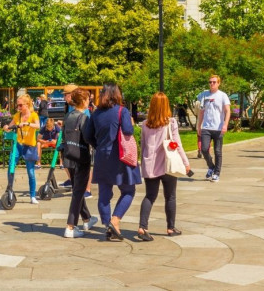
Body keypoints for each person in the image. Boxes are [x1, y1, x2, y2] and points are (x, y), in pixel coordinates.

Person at [82, 83, 141, 242]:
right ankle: (115, 220)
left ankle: (108, 225)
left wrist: (99, 146)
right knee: (128, 191)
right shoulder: (122, 111)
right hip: (120, 156)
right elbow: (128, 131)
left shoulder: (95, 113)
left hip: (102, 155)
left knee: (104, 195)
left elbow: (87, 136)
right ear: (117, 94)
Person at [138, 91, 192, 240]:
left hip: (150, 165)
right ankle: (170, 227)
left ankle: (142, 227)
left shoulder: (145, 124)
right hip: (168, 165)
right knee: (170, 196)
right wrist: (186, 164)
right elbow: (178, 145)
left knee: (150, 196)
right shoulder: (171, 123)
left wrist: (142, 163)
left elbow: (142, 146)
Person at [61, 88, 96, 238]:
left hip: (69, 155)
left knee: (77, 189)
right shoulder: (83, 118)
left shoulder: (68, 116)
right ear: (83, 101)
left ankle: (87, 219)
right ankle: (70, 226)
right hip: (81, 158)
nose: (89, 101)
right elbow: (89, 138)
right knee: (78, 192)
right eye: (88, 98)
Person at [196, 75, 231, 182]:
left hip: (218, 128)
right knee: (204, 149)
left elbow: (227, 111)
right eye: (210, 82)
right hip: (206, 127)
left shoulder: (222, 95)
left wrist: (225, 125)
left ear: (218, 83)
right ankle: (211, 166)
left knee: (217, 151)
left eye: (214, 82)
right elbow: (202, 111)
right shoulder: (205, 95)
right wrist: (199, 125)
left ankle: (216, 173)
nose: (212, 84)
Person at [10, 93, 41, 204]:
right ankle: (9, 191)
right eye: (17, 105)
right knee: (11, 168)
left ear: (27, 105)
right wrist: (6, 127)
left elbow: (38, 126)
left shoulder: (33, 115)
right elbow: (9, 127)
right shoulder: (17, 116)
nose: (18, 107)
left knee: (31, 172)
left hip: (30, 146)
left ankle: (33, 196)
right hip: (18, 145)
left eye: (20, 105)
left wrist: (27, 123)